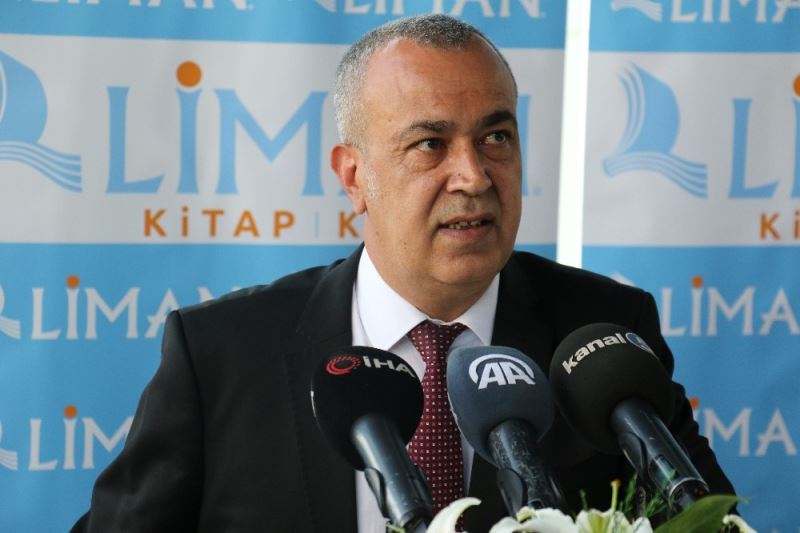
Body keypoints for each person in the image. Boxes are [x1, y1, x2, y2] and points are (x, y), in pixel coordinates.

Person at [72, 14, 735, 532]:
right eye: (430, 144)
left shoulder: (603, 336)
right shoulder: (221, 355)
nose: (473, 176)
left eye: (496, 137)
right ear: (354, 176)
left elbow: (707, 518)